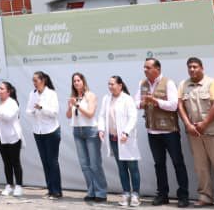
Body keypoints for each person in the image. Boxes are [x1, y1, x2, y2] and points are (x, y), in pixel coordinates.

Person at [178, 57, 214, 209]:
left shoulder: (212, 83)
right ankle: (205, 197)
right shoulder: (184, 85)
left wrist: (204, 124)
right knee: (201, 167)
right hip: (194, 133)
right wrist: (188, 125)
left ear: (202, 68)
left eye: (195, 66)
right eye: (189, 67)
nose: (192, 69)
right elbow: (180, 106)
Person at [140, 58, 190, 207]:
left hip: (169, 131)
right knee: (159, 164)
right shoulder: (143, 84)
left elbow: (174, 105)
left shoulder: (168, 83)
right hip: (152, 132)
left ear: (158, 69)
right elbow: (136, 102)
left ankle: (183, 196)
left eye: (148, 67)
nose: (145, 70)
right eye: (144, 67)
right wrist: (142, 103)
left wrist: (156, 101)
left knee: (177, 163)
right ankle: (162, 195)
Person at [99, 76, 141, 208]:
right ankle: (126, 193)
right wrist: (101, 129)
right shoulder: (106, 99)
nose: (110, 86)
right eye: (109, 84)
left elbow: (133, 117)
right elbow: (102, 116)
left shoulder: (127, 99)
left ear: (120, 85)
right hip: (113, 139)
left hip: (126, 139)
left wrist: (126, 132)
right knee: (121, 168)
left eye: (112, 84)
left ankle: (135, 194)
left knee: (132, 167)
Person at [67, 71, 107, 203]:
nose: (76, 83)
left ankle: (101, 192)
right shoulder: (73, 97)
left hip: (90, 131)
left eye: (78, 80)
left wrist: (77, 105)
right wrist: (70, 107)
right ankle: (91, 191)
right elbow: (68, 116)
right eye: (74, 81)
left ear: (83, 81)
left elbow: (90, 114)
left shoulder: (90, 95)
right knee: (84, 164)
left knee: (94, 164)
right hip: (77, 131)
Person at [0, 80, 24, 197]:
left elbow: (8, 117)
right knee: (6, 162)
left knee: (15, 162)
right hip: (1, 137)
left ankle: (19, 186)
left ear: (8, 92)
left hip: (13, 137)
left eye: (2, 89)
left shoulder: (12, 103)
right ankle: (9, 185)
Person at [30, 71, 63, 199]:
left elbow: (54, 112)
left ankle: (57, 191)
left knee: (52, 161)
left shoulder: (51, 93)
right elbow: (28, 110)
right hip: (38, 131)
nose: (34, 83)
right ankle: (50, 189)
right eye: (33, 81)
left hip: (51, 131)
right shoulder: (32, 94)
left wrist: (41, 108)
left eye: (36, 80)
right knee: (45, 161)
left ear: (43, 81)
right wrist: (33, 111)